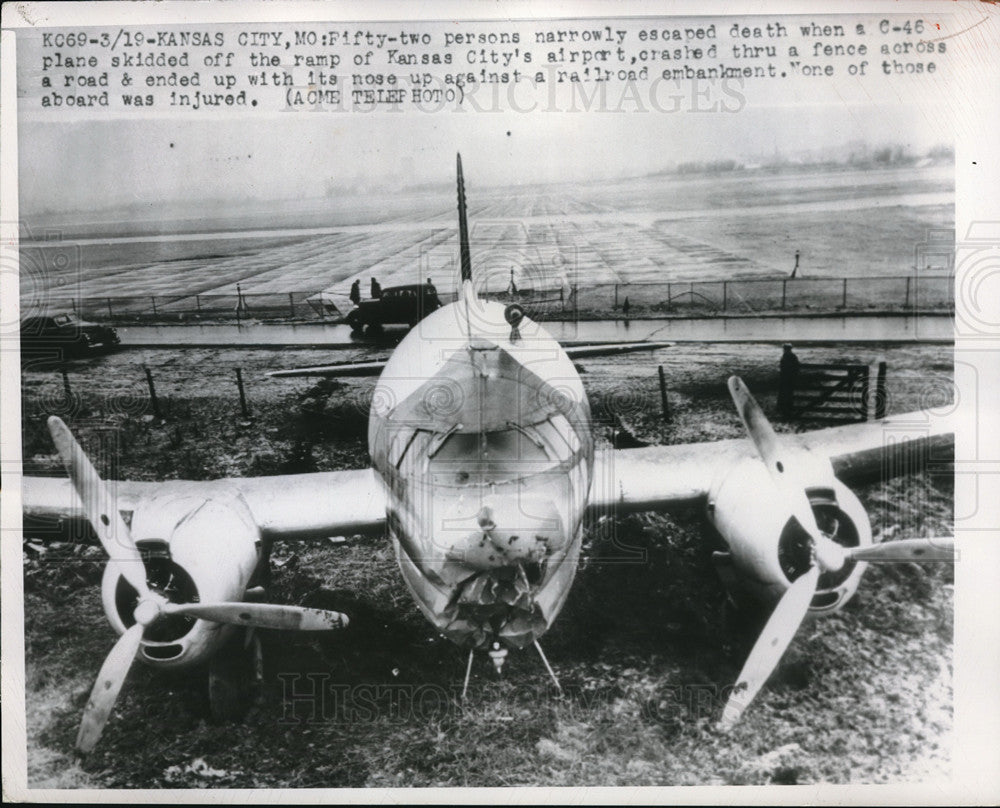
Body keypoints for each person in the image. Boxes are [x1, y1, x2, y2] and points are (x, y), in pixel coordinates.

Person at [778, 343, 800, 416]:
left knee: (787, 392)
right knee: (785, 392)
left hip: (788, 377)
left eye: (785, 349)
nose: (784, 350)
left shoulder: (791, 356)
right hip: (785, 377)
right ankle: (783, 407)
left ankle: (787, 407)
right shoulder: (787, 356)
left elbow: (796, 367)